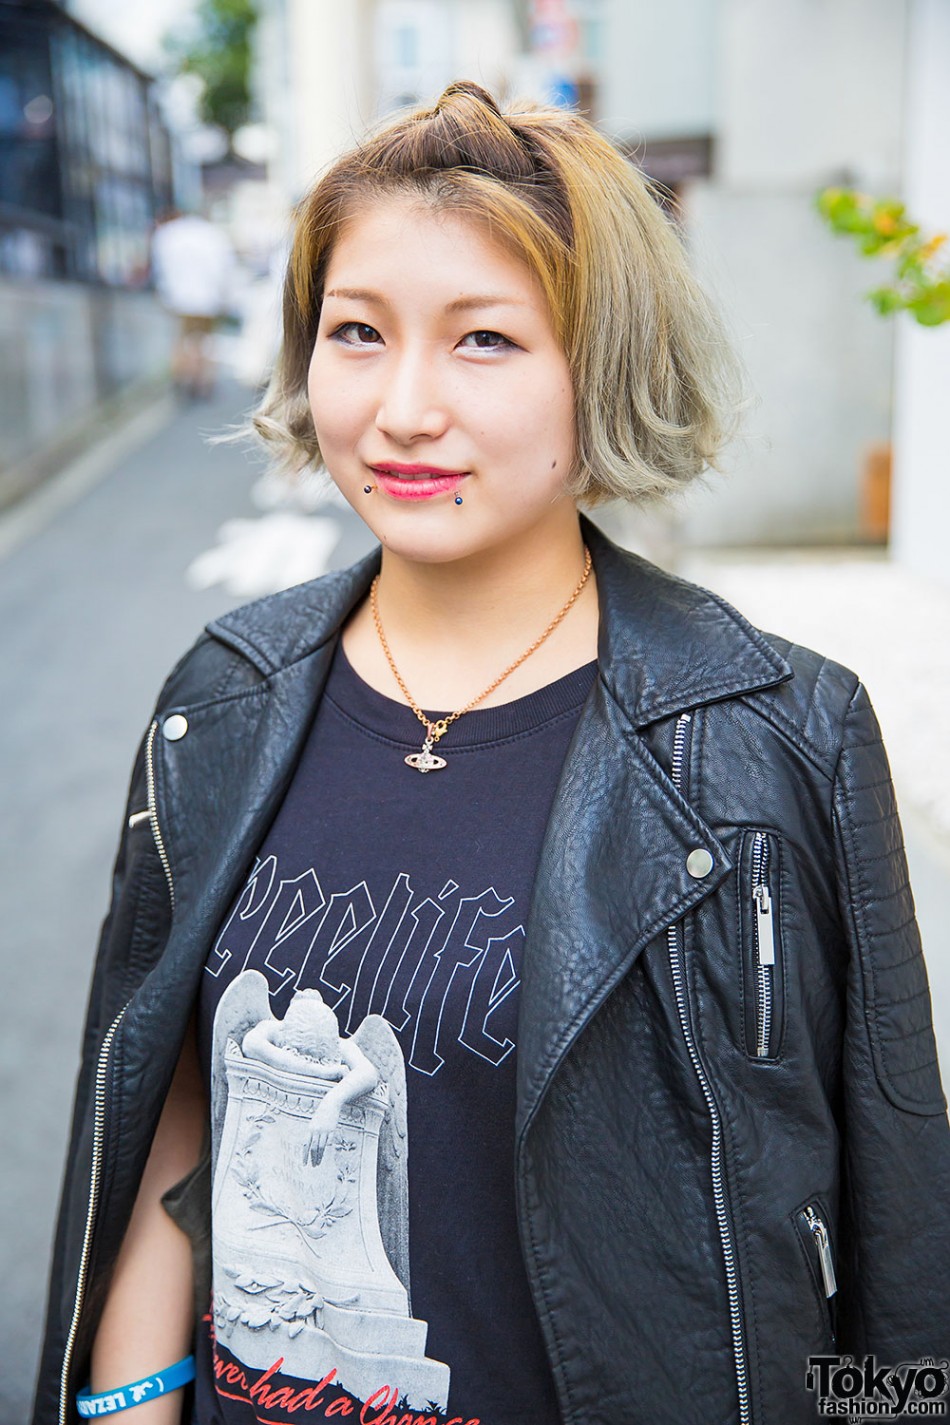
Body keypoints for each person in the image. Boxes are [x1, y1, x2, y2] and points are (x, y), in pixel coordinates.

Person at [34, 82, 950, 1425]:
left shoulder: (774, 735)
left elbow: (896, 1213)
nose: (402, 408)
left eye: (482, 340)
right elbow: (176, 1098)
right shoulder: (220, 697)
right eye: (357, 333)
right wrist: (126, 1402)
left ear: (603, 359)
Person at [151, 208, 236, 400]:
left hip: (178, 297)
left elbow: (159, 268)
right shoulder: (214, 234)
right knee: (206, 341)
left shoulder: (167, 234)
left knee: (182, 339)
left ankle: (182, 378)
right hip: (209, 297)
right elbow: (225, 268)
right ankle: (204, 382)